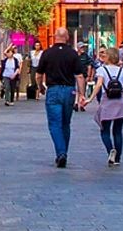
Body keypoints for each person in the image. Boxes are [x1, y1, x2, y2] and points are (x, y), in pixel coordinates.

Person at [35, 27, 87, 167]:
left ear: (54, 37)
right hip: (69, 91)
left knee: (54, 124)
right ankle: (64, 152)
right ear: (67, 37)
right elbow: (80, 76)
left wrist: (40, 87)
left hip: (53, 90)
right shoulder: (72, 54)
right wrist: (81, 94)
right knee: (65, 123)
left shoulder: (47, 53)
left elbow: (39, 74)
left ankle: (61, 152)